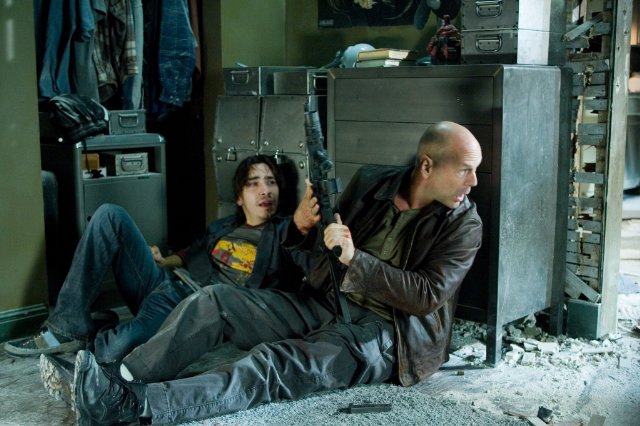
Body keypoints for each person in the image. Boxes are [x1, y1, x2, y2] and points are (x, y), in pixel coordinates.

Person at [67, 121, 484, 425]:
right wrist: (302, 227)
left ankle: (138, 406)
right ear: (426, 166)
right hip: (328, 301)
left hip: (388, 334)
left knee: (273, 363)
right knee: (213, 301)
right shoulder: (373, 182)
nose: (475, 181)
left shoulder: (465, 225)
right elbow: (318, 252)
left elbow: (426, 295)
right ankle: (120, 380)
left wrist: (357, 259)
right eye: (466, 169)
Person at [5, 154, 308, 366]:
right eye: (254, 183)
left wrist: (304, 224)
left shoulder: (283, 233)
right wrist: (164, 260)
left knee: (115, 351)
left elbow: (296, 260)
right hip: (166, 283)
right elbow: (192, 252)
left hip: (191, 309)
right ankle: (68, 324)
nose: (265, 190)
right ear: (239, 197)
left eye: (271, 182)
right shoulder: (223, 227)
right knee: (110, 215)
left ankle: (97, 329)